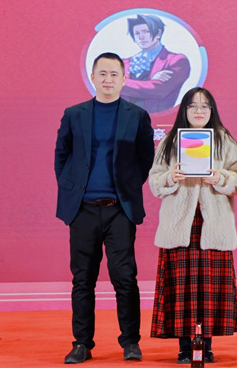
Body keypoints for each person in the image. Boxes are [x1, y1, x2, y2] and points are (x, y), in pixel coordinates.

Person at [55, 52, 155, 364]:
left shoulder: (137, 116)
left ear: (124, 79)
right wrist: (73, 189)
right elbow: (62, 156)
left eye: (114, 74)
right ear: (93, 77)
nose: (108, 79)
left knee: (125, 277)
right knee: (82, 279)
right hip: (83, 209)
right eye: (102, 73)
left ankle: (130, 342)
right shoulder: (74, 114)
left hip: (119, 210)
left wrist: (126, 189)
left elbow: (145, 159)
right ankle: (82, 344)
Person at [148, 88, 237, 364]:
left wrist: (221, 178)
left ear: (212, 110)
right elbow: (154, 181)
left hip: (213, 223)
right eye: (193, 106)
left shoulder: (224, 140)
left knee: (208, 291)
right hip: (180, 224)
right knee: (181, 290)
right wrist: (170, 177)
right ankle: (183, 347)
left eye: (205, 106)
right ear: (184, 110)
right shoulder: (169, 141)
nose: (199, 111)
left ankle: (207, 345)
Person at [121, 14, 191, 114]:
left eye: (146, 31)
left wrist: (118, 83)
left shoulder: (176, 60)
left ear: (158, 33)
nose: (141, 37)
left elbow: (159, 90)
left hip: (158, 119)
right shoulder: (124, 63)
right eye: (136, 33)